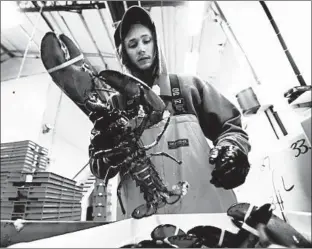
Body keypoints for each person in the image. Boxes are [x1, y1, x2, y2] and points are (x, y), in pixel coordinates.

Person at [88, 6, 251, 219]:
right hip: (144, 221)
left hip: (205, 213)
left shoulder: (189, 86)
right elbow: (98, 167)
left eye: (146, 40)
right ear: (123, 52)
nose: (141, 49)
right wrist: (107, 157)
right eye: (132, 44)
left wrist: (232, 149)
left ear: (156, 43)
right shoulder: (115, 105)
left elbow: (230, 126)